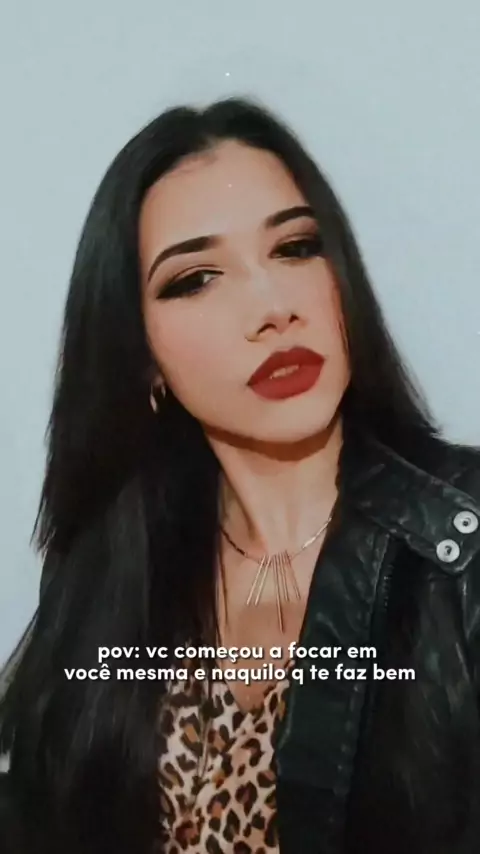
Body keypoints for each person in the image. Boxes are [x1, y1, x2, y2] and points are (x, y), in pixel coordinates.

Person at [0, 96, 479, 854]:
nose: (272, 308)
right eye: (196, 279)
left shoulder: (462, 548)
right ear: (143, 360)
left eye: (295, 248)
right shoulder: (105, 573)